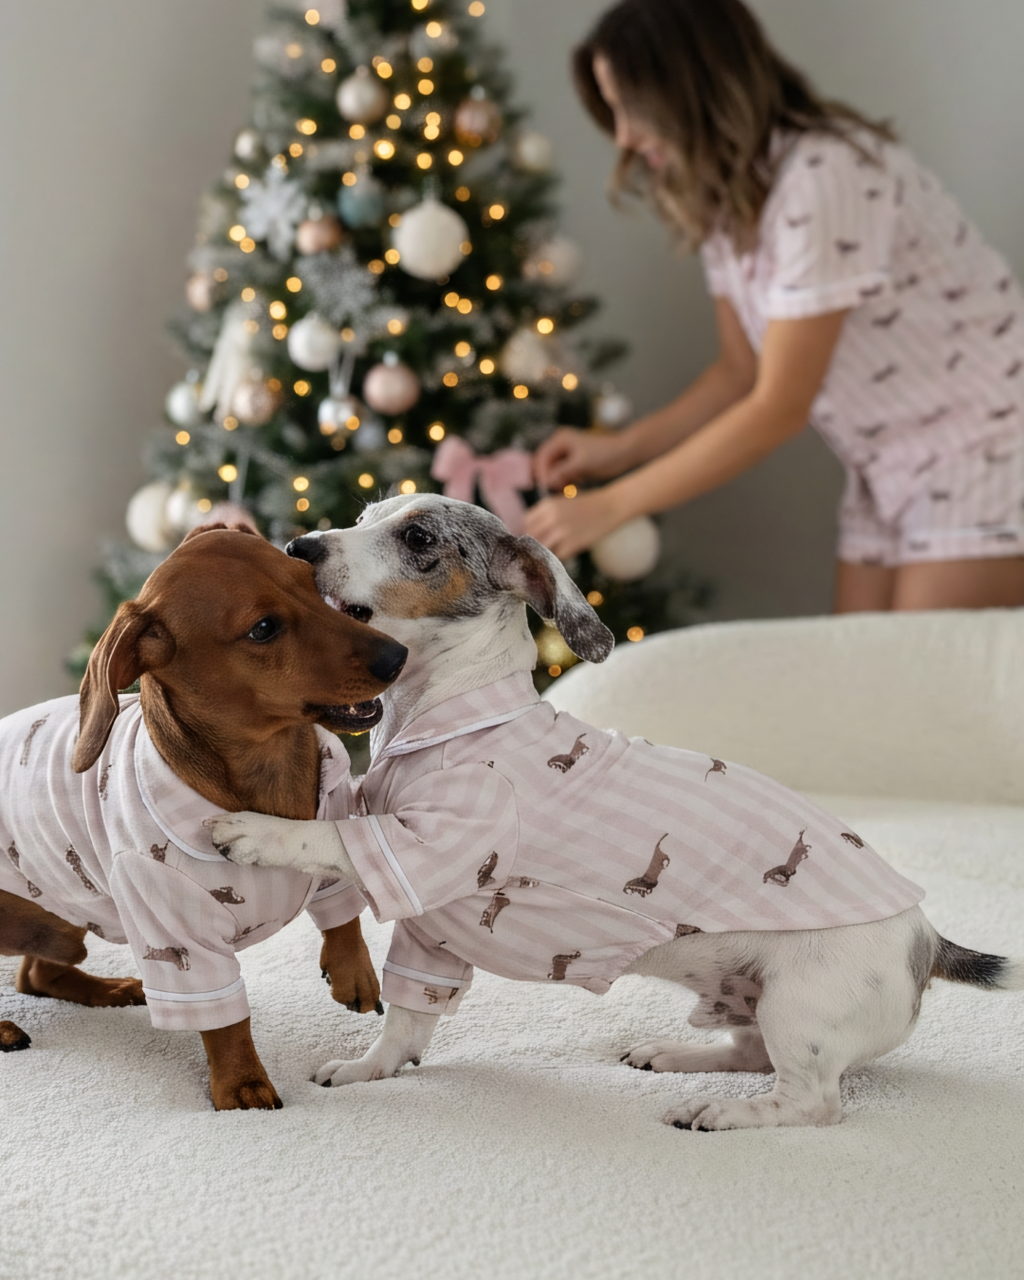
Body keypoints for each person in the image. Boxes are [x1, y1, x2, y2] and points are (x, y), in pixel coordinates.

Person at [525, 0, 1024, 611]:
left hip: (988, 444)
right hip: (886, 465)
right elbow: (740, 373)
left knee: (928, 691)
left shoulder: (824, 176)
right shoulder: (728, 199)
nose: (624, 135)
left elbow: (777, 408)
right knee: (862, 683)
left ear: (691, 87)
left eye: (630, 105)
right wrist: (621, 450)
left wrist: (612, 504)